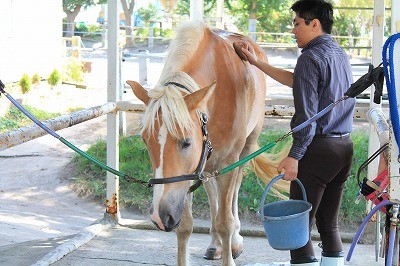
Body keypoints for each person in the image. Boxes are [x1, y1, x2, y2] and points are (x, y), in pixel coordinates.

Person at [240, 1, 355, 265]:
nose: (293, 30)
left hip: (317, 150)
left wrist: (295, 155)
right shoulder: (339, 53)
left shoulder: (309, 58)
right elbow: (297, 80)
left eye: (297, 24)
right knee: (329, 223)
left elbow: (307, 116)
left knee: (297, 229)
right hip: (343, 148)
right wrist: (257, 63)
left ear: (314, 24)